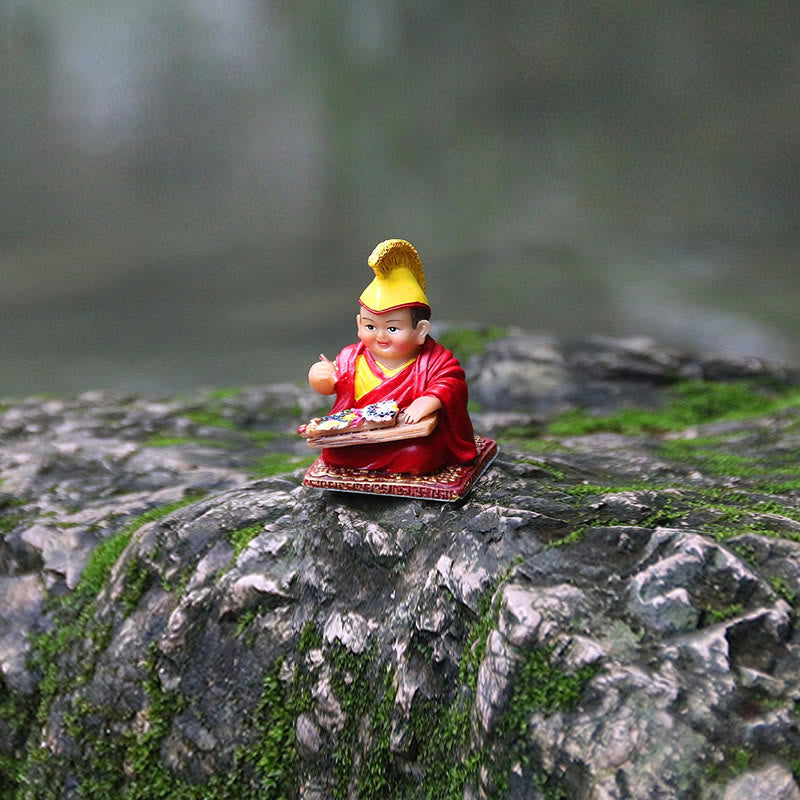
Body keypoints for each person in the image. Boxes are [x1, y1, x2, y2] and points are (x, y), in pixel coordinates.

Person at [307, 239, 477, 475]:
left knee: (419, 456)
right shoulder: (351, 357)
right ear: (358, 324)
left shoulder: (433, 359)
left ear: (421, 331)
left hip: (406, 438)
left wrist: (430, 400)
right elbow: (334, 384)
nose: (380, 336)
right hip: (361, 436)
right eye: (369, 326)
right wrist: (320, 377)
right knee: (333, 453)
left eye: (393, 328)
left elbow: (452, 381)